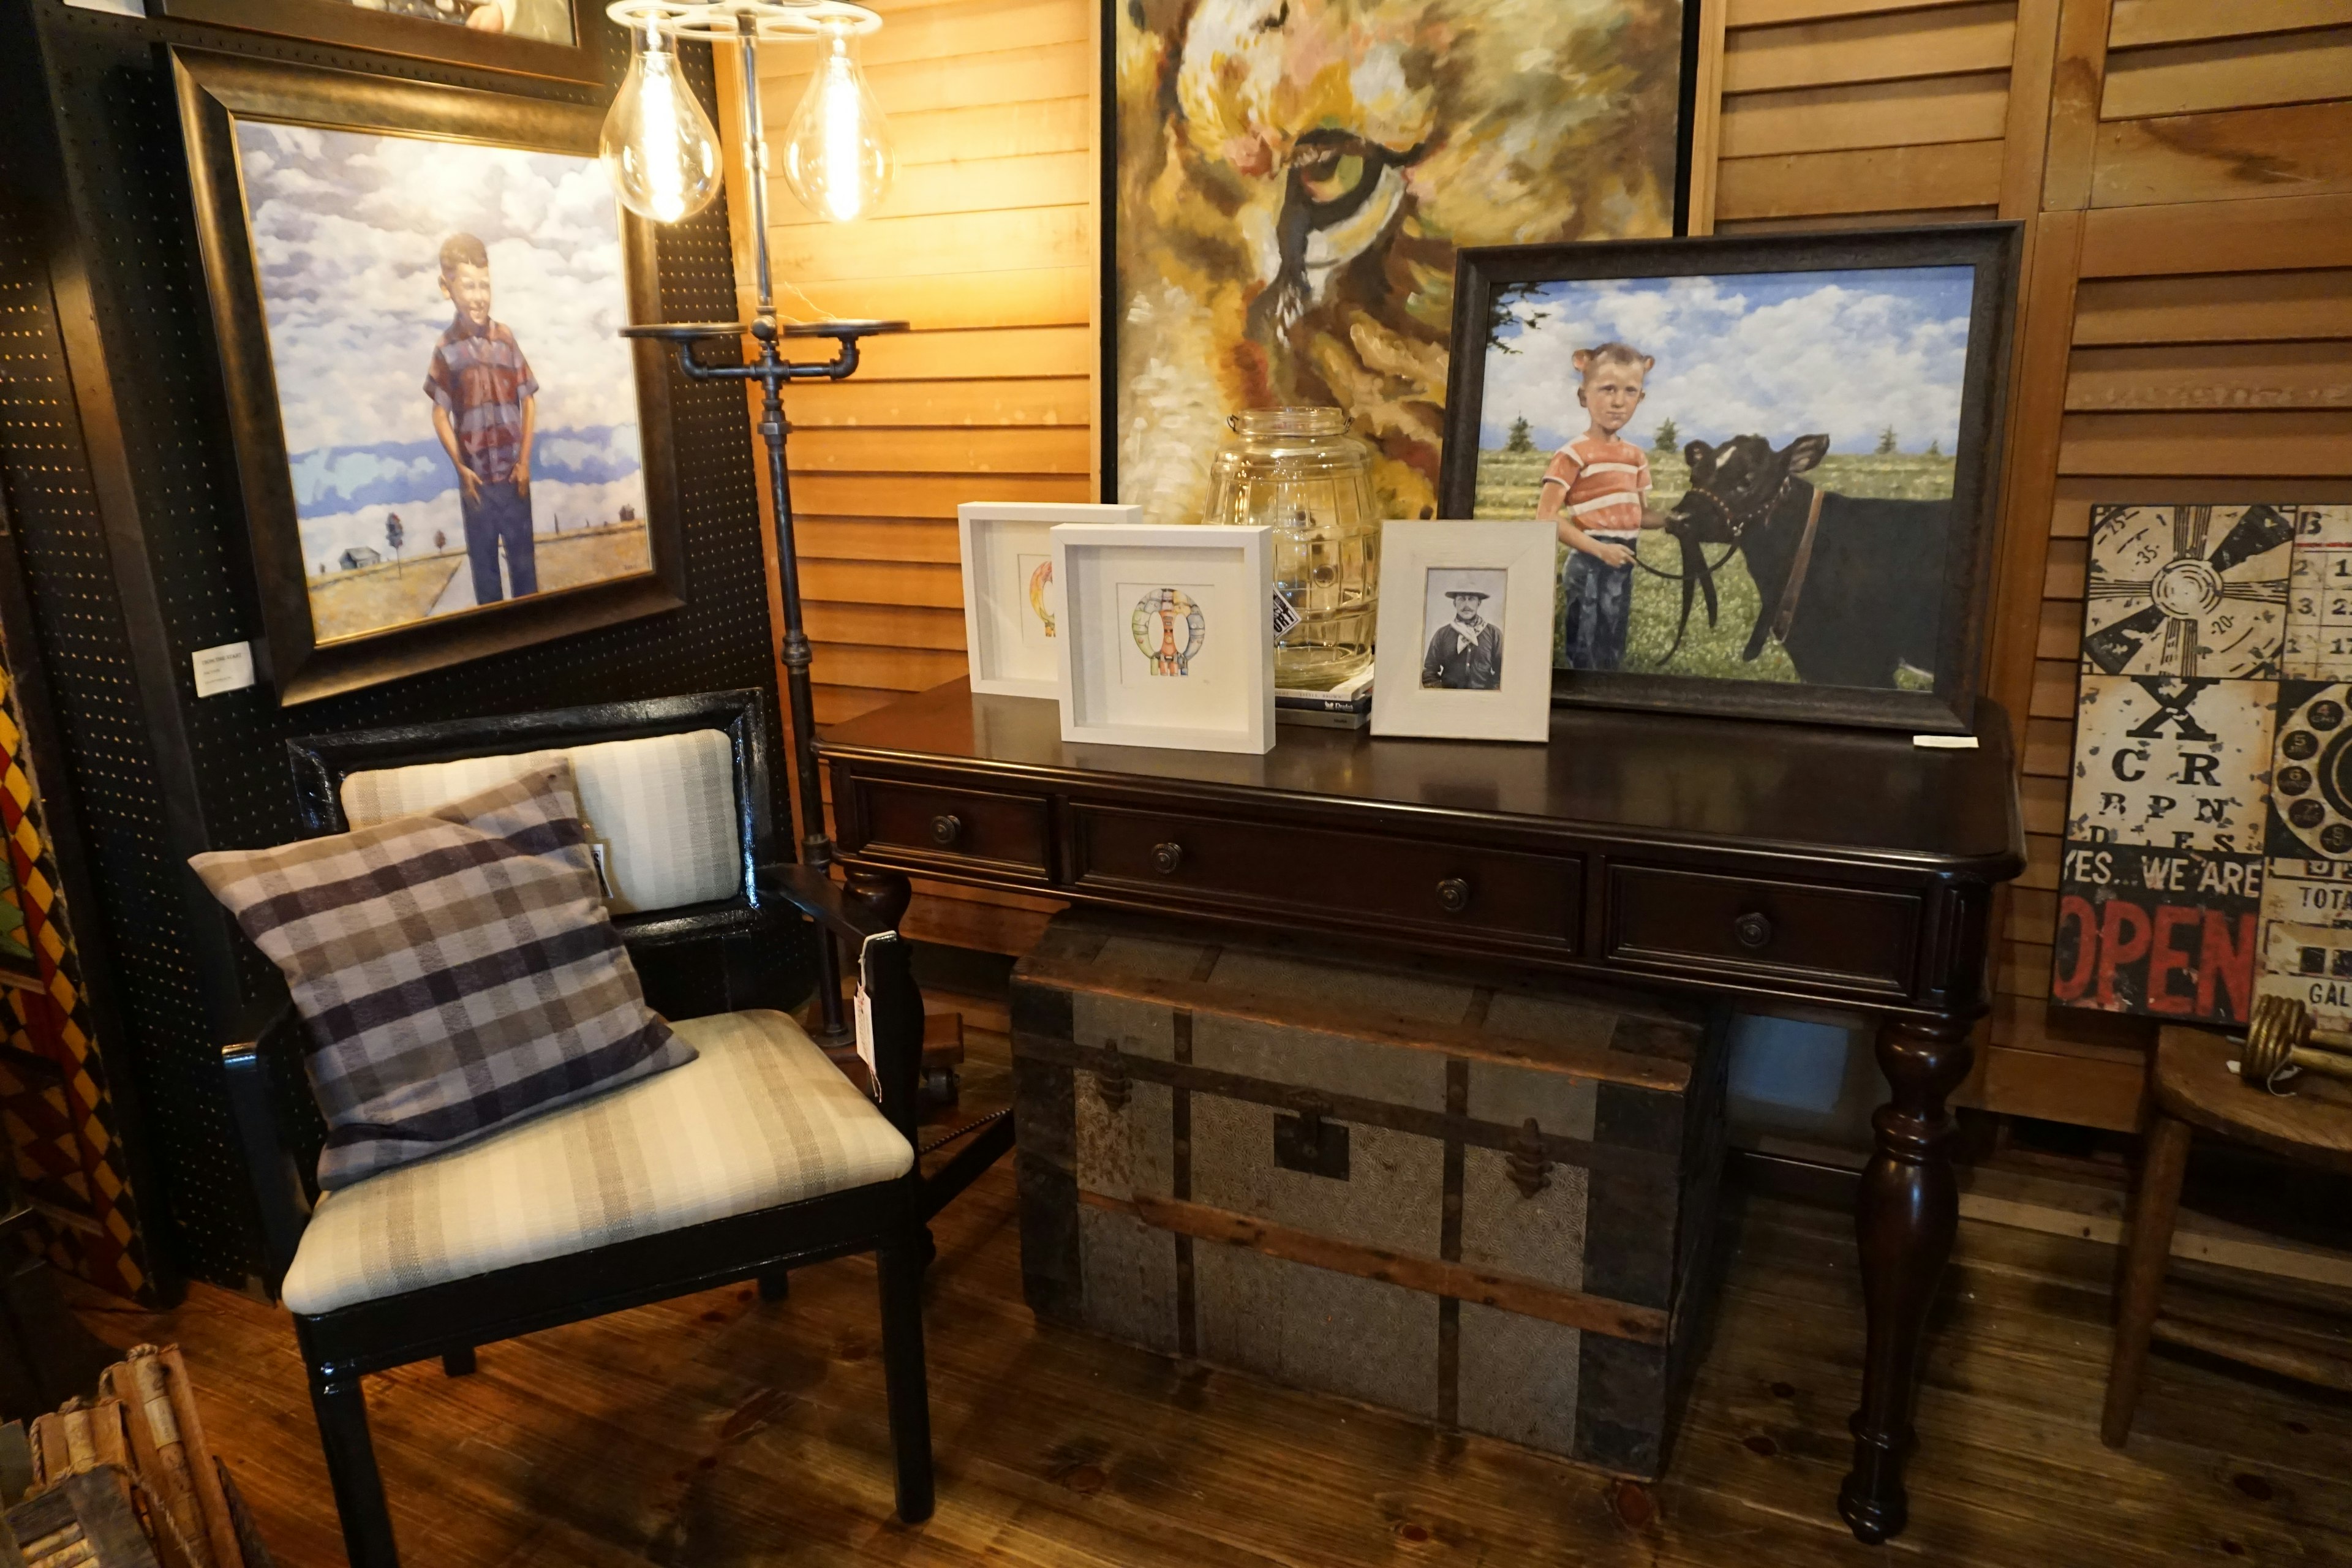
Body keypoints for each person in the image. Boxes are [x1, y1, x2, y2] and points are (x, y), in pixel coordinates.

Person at [1536, 342, 1666, 671]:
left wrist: (1673, 520)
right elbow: (1547, 516)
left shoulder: (1636, 456)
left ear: (1641, 398)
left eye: (1630, 391)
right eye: (1607, 389)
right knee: (1586, 646)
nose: (1618, 402)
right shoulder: (1573, 453)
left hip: (1624, 560)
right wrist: (1599, 550)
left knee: (1613, 642)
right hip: (1590, 560)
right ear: (1584, 396)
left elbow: (1638, 515)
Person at [425, 232, 538, 606]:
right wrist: (460, 467)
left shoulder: (506, 339)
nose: (478, 296)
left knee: (525, 572)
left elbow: (529, 400)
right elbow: (440, 413)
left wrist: (524, 463)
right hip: (476, 488)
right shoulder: (446, 349)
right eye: (468, 285)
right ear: (447, 288)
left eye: (484, 285)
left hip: (513, 481)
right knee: (486, 581)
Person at [1423, 587, 1503, 690]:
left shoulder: (1494, 634)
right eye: (1461, 599)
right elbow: (1429, 672)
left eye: (1471, 599)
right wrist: (1442, 695)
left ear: (1479, 603)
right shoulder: (1442, 634)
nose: (1466, 605)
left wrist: (1490, 696)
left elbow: (1503, 673)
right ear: (1454, 603)